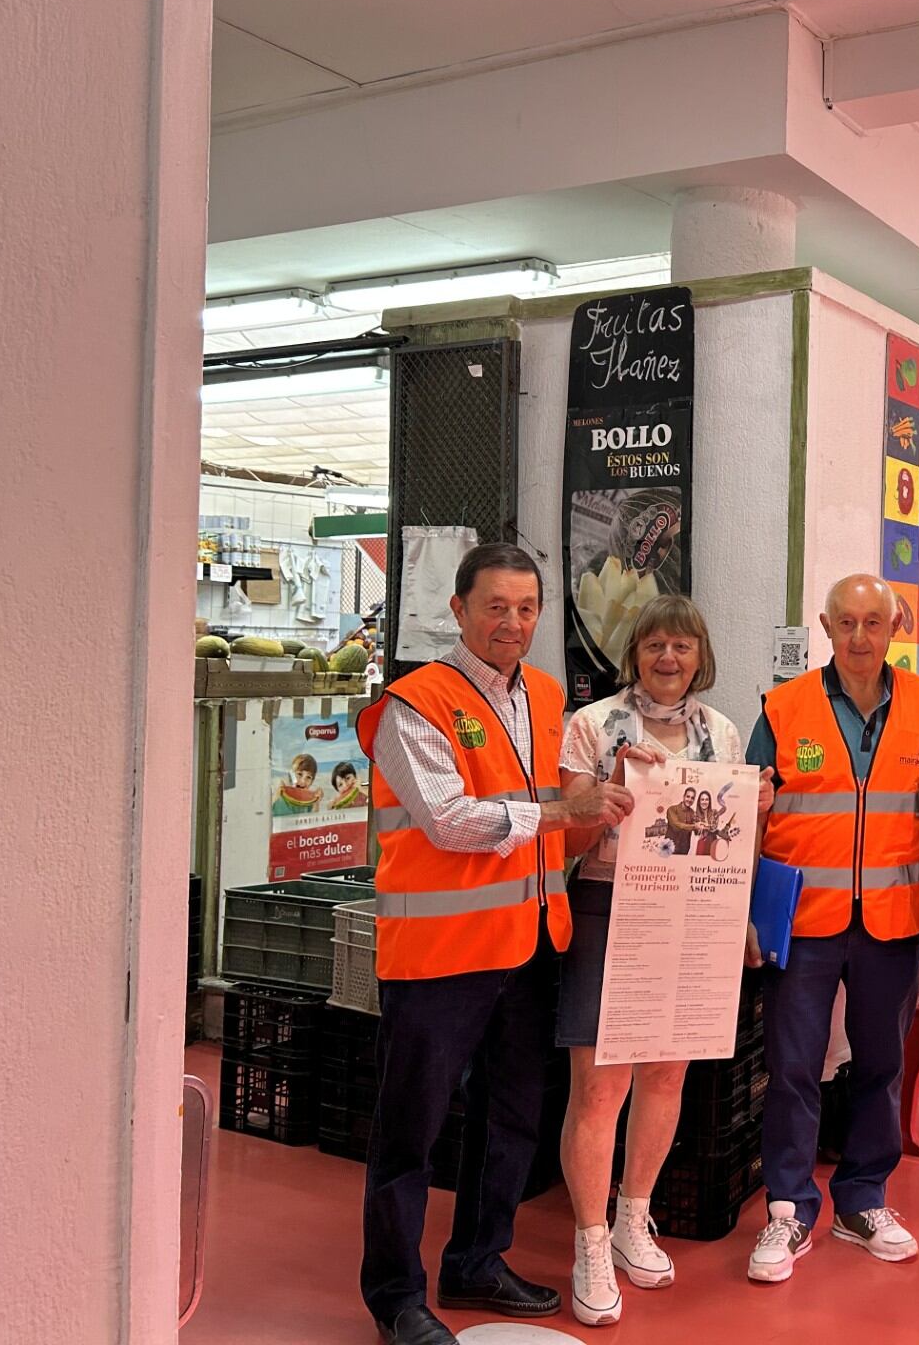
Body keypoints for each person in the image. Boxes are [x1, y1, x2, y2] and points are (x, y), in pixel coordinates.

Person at [356, 542, 635, 1345]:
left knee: (510, 1116)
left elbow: (551, 793)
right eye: (495, 608)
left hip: (528, 944)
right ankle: (396, 1297)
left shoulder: (543, 694)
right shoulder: (414, 704)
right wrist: (558, 815)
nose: (512, 623)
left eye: (525, 608)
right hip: (439, 954)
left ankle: (477, 1259)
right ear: (458, 611)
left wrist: (611, 793)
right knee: (409, 1131)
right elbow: (450, 820)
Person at [554, 595, 764, 1327]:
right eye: (653, 647)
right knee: (600, 1085)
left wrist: (753, 822)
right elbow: (570, 843)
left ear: (701, 656)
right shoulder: (592, 725)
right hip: (608, 909)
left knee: (667, 1073)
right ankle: (588, 1243)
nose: (668, 659)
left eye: (681, 646)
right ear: (633, 654)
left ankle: (631, 1218)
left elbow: (734, 845)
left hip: (691, 913)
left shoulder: (723, 732)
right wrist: (604, 796)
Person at [744, 573, 919, 1282]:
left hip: (892, 919)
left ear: (896, 628)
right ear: (826, 630)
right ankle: (789, 1209)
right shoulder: (782, 706)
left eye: (874, 623)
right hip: (800, 920)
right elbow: (746, 814)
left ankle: (864, 1198)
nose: (860, 637)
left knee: (881, 1066)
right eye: (846, 624)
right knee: (793, 1067)